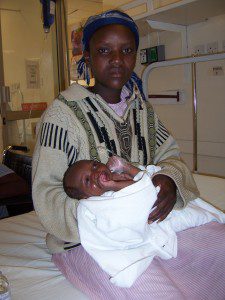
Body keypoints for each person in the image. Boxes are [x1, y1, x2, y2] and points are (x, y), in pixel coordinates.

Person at [32, 9, 199, 254]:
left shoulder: (142, 110)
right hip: (89, 241)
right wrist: (105, 219)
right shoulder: (62, 115)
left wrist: (170, 181)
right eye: (104, 50)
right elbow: (47, 192)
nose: (118, 59)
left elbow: (171, 158)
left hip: (145, 231)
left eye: (127, 50)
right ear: (87, 57)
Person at [62, 156, 225, 287]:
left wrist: (128, 168)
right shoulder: (97, 204)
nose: (95, 173)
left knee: (212, 232)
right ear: (85, 196)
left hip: (163, 213)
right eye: (88, 181)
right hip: (145, 233)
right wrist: (113, 184)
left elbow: (146, 179)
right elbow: (139, 193)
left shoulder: (117, 177)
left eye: (95, 165)